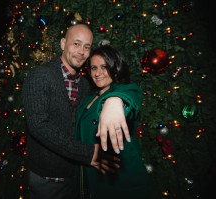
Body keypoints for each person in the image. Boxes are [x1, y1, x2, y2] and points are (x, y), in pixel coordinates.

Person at [22, 24, 131, 199]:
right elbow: (38, 126)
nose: (81, 51)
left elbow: (120, 87)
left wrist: (115, 100)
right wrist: (87, 153)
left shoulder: (86, 84)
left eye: (87, 47)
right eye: (76, 44)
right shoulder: (40, 76)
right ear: (63, 44)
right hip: (48, 178)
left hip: (77, 176)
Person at [75, 44, 158, 199]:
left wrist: (114, 102)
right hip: (91, 180)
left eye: (104, 67)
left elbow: (130, 100)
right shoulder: (88, 98)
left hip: (122, 183)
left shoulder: (126, 90)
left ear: (115, 67)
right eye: (94, 68)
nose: (98, 73)